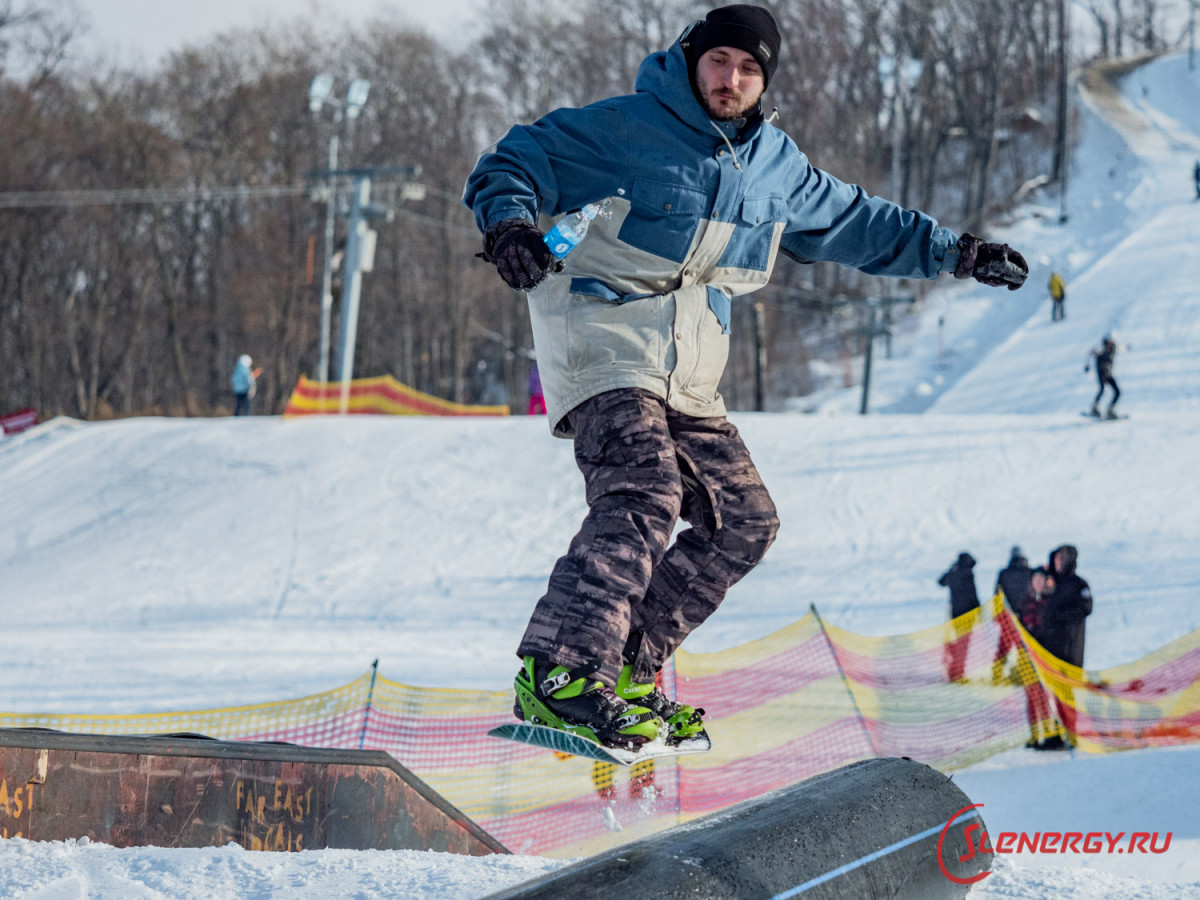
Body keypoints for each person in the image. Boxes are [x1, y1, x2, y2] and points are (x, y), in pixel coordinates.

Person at [463, 4, 1029, 749]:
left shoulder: (774, 167)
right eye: (719, 62)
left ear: (766, 81)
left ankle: (627, 665)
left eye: (749, 68)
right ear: (692, 60)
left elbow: (860, 222)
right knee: (644, 487)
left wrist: (958, 252)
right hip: (602, 334)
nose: (731, 79)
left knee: (745, 522)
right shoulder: (627, 127)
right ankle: (561, 669)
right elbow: (512, 160)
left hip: (687, 368)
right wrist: (509, 225)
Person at [939, 552, 980, 683]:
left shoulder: (954, 571)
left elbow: (941, 582)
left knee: (957, 642)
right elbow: (972, 593)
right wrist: (978, 610)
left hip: (955, 614)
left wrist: (951, 570)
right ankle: (958, 672)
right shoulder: (968, 573)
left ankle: (953, 670)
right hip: (968, 614)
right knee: (963, 645)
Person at [1085, 333, 1126, 418]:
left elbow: (1120, 348)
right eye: (1108, 342)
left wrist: (1127, 347)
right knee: (1102, 389)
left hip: (1108, 373)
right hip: (1102, 373)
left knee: (1117, 392)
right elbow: (1094, 353)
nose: (1110, 344)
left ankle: (1110, 410)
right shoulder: (1102, 349)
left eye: (1111, 342)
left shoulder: (1113, 348)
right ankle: (1095, 408)